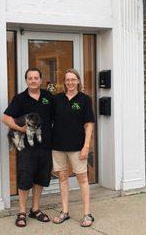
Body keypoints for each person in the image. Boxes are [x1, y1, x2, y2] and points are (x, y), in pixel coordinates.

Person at [1, 68, 54, 228]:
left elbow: (58, 115)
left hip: (45, 146)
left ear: (40, 79)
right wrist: (21, 129)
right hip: (26, 148)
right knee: (25, 179)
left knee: (40, 178)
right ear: (26, 81)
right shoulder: (20, 99)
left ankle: (35, 209)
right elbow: (5, 118)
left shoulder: (47, 97)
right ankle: (22, 211)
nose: (33, 80)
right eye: (30, 78)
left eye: (36, 78)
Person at [52, 68, 95, 227]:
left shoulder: (85, 99)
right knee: (62, 178)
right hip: (58, 146)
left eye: (73, 79)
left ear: (78, 81)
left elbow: (89, 125)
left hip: (77, 147)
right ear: (64, 82)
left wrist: (86, 147)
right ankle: (64, 211)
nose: (70, 82)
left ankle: (87, 214)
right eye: (67, 79)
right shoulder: (57, 99)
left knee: (82, 179)